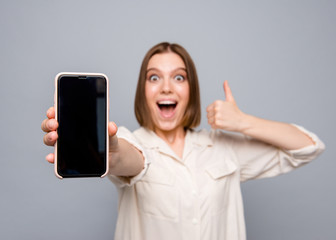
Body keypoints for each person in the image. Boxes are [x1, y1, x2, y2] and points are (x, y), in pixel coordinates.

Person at [41, 42, 325, 240]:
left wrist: (243, 122)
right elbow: (131, 160)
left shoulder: (223, 148)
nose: (166, 87)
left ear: (191, 90)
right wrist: (110, 153)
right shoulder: (130, 140)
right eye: (154, 78)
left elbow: (308, 146)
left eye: (179, 77)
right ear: (144, 91)